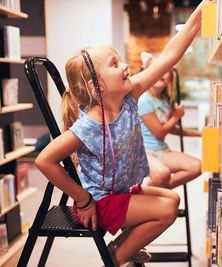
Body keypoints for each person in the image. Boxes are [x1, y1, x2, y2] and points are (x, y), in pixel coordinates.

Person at [34, 1, 209, 266]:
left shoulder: (130, 96)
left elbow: (168, 58)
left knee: (171, 197)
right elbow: (44, 159)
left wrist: (199, 14)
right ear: (97, 86)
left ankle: (118, 246)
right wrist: (82, 200)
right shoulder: (90, 125)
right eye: (115, 64)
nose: (125, 65)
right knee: (168, 210)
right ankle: (115, 259)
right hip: (101, 202)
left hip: (120, 192)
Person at [138, 53, 202, 189]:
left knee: (197, 167)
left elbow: (171, 129)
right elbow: (160, 133)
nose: (162, 73)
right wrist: (176, 117)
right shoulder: (144, 99)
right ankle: (145, 196)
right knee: (163, 174)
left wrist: (201, 134)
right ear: (148, 73)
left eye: (166, 70)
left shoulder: (165, 99)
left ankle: (157, 192)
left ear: (171, 76)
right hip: (144, 152)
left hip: (161, 151)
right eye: (157, 69)